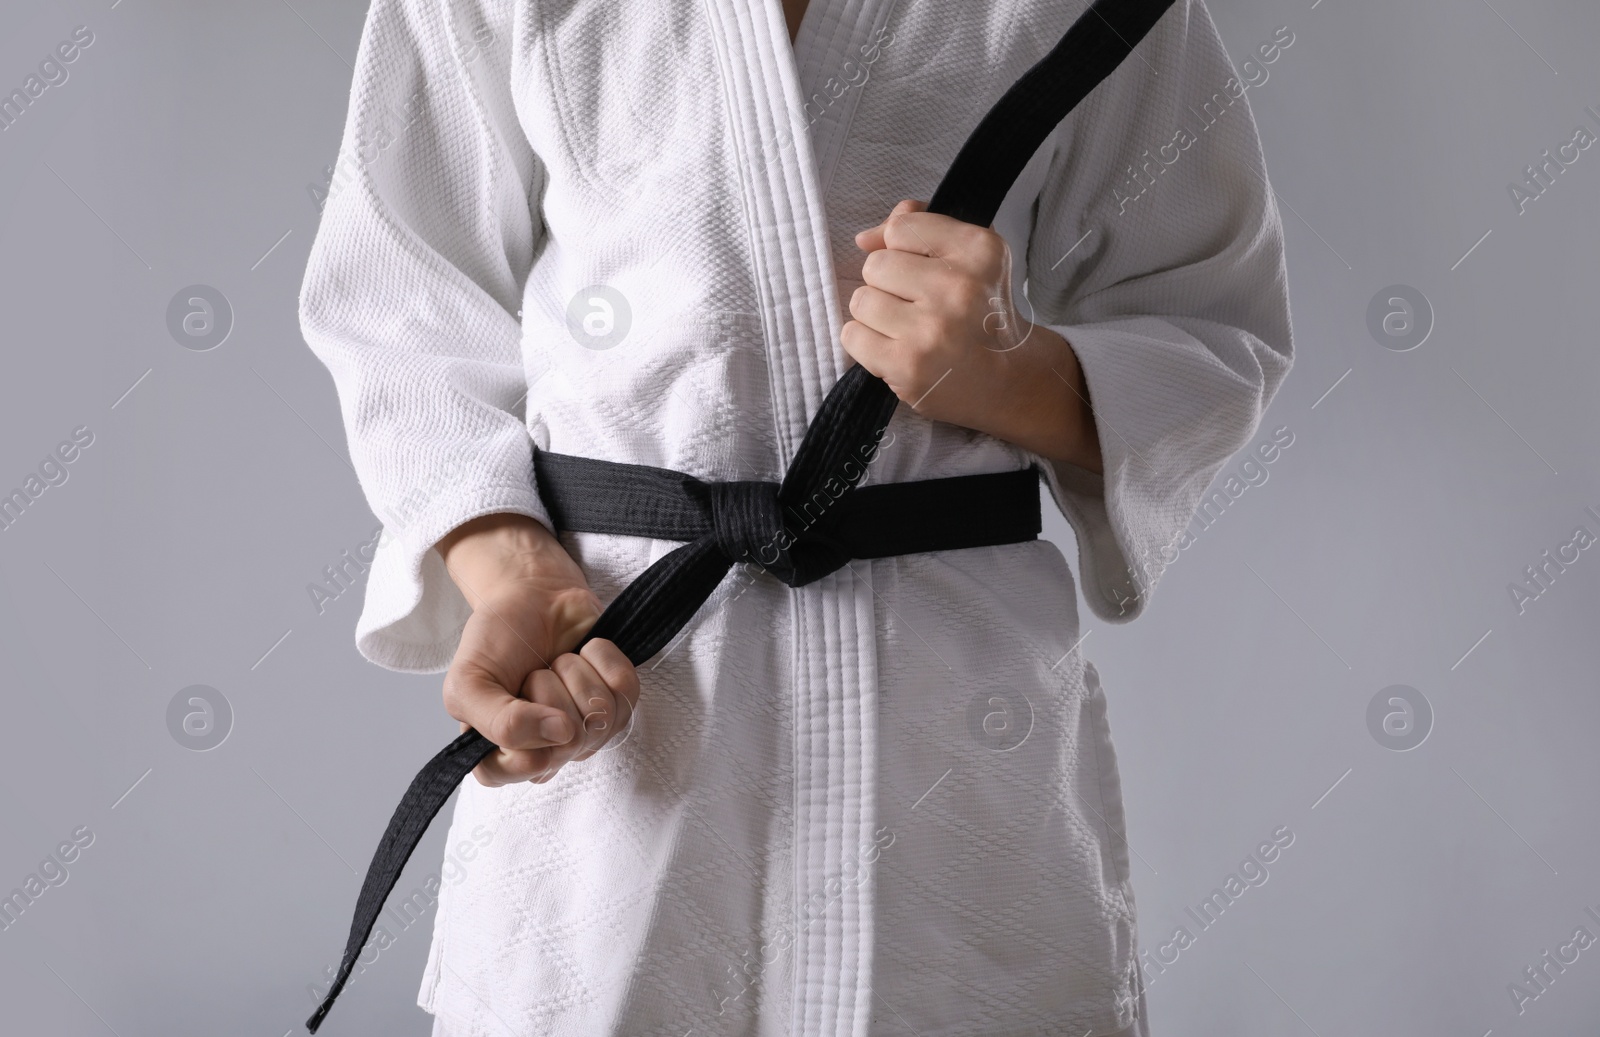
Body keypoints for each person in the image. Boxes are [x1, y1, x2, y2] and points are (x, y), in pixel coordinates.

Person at [297, 0, 1293, 1033]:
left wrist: (1009, 373)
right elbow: (398, 298)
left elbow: (1209, 318)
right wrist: (510, 570)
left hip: (952, 733)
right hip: (622, 672)